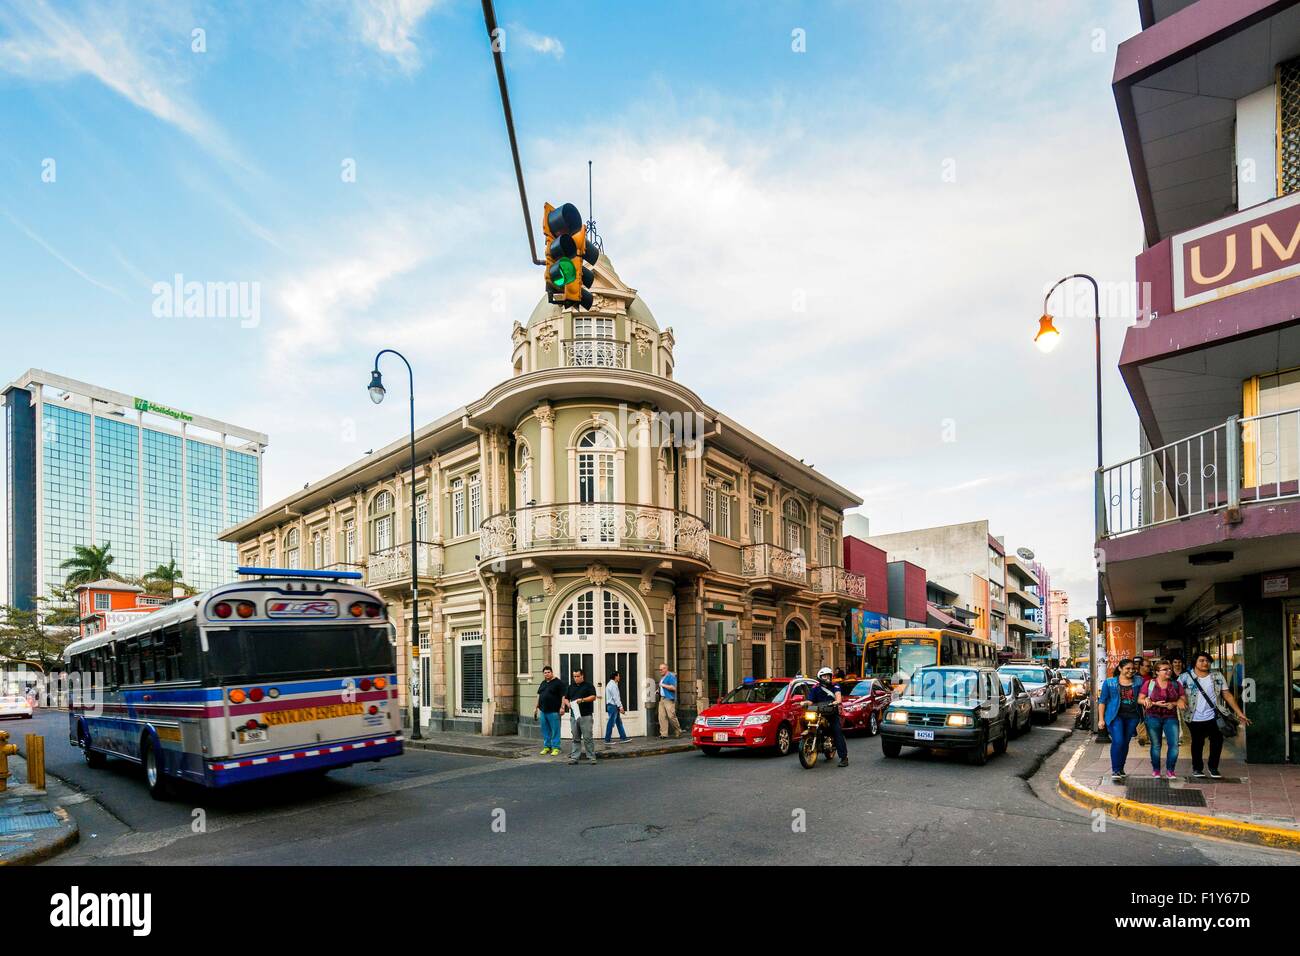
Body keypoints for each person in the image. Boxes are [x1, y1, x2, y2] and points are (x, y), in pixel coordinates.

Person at [1179, 651, 1250, 779]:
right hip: (1193, 716)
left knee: (1217, 741)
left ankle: (1213, 768)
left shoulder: (1217, 676)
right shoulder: (1185, 677)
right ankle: (1197, 768)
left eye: (1207, 661)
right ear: (1195, 662)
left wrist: (1240, 713)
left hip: (1215, 715)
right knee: (1197, 743)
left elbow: (1227, 695)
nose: (1205, 663)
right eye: (1201, 660)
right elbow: (1176, 693)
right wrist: (1180, 701)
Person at [1097, 658, 1143, 782]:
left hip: (1132, 716)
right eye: (1128, 668)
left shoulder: (1139, 681)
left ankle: (1121, 768)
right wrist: (1101, 720)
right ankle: (1115, 769)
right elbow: (1102, 701)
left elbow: (1144, 694)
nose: (1131, 671)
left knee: (1125, 742)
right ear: (1120, 669)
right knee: (1118, 740)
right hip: (1114, 716)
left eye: (1133, 668)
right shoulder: (1109, 682)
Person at [1139, 661, 1184, 778]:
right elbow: (1140, 699)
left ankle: (1170, 770)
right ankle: (1156, 770)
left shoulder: (1176, 684)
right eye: (1165, 669)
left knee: (1174, 744)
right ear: (1157, 672)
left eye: (1169, 669)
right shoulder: (1150, 684)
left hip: (1171, 717)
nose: (1169, 671)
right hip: (1153, 716)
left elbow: (1183, 700)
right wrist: (1151, 702)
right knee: (1156, 745)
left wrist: (1173, 704)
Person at [807, 666, 848, 767]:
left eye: (828, 676)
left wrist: (836, 702)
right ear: (820, 677)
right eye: (824, 676)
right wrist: (803, 702)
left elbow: (838, 697)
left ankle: (844, 758)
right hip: (818, 713)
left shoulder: (835, 686)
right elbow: (810, 701)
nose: (827, 678)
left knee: (837, 732)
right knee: (806, 722)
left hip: (832, 714)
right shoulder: (815, 688)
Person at [562, 668, 599, 765]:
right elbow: (566, 698)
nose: (576, 678)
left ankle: (591, 758)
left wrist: (582, 700)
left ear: (582, 676)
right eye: (574, 676)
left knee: (588, 738)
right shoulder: (570, 687)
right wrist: (568, 704)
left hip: (585, 716)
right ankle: (575, 758)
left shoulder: (588, 686)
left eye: (578, 676)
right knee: (575, 738)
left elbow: (593, 697)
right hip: (574, 716)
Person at [534, 665, 565, 756]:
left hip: (554, 711)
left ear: (552, 672)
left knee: (555, 730)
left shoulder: (558, 683)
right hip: (543, 711)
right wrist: (535, 707)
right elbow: (539, 695)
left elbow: (563, 696)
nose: (547, 674)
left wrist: (562, 707)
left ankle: (556, 748)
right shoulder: (543, 683)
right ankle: (547, 747)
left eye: (548, 672)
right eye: (545, 673)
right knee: (545, 730)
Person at [657, 663, 681, 738]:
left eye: (661, 669)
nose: (660, 671)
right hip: (662, 699)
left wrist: (663, 685)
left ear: (665, 669)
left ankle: (678, 730)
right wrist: (658, 690)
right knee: (662, 716)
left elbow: (673, 688)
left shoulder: (671, 676)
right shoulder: (663, 677)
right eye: (659, 669)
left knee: (671, 716)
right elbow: (662, 687)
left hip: (669, 699)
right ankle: (663, 734)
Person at [604, 670, 628, 744]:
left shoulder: (610, 684)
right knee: (611, 723)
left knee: (618, 722)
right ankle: (607, 740)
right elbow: (616, 697)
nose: (619, 677)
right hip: (613, 706)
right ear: (615, 677)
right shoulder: (613, 685)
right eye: (618, 676)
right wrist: (620, 707)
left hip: (612, 706)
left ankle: (623, 738)